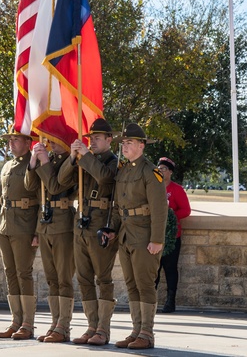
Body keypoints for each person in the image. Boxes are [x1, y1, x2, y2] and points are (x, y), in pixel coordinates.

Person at [102, 123, 167, 350]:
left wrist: (157, 239)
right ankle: (136, 330)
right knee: (131, 284)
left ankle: (147, 333)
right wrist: (113, 229)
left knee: (145, 284)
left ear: (141, 145)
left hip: (144, 235)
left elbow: (160, 209)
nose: (125, 147)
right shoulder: (124, 170)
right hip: (126, 236)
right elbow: (119, 206)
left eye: (130, 143)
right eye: (124, 143)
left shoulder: (151, 172)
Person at [67, 118, 119, 345]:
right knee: (84, 278)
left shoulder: (114, 161)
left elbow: (105, 179)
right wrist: (72, 157)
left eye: (97, 138)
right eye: (91, 138)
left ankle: (103, 329)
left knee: (103, 279)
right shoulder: (85, 160)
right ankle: (91, 326)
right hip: (82, 222)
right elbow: (62, 182)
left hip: (101, 224)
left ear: (109, 139)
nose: (93, 142)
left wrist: (85, 156)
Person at [0, 129, 40, 340]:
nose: (11, 143)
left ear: (28, 142)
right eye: (10, 139)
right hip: (5, 226)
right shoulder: (7, 166)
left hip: (25, 227)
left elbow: (40, 200)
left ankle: (28, 323)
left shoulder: (34, 164)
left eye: (15, 139)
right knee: (10, 272)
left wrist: (37, 230)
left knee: (23, 273)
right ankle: (15, 320)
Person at [25, 141, 74, 342]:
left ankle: (64, 325)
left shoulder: (72, 162)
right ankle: (55, 323)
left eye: (56, 138)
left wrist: (45, 161)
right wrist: (33, 161)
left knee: (64, 278)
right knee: (51, 278)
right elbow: (30, 185)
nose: (51, 142)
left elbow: (55, 186)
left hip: (63, 224)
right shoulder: (50, 160)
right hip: (45, 224)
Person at [154, 156, 190, 314]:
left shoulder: (177, 189)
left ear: (170, 172)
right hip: (154, 234)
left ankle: (170, 301)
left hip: (171, 237)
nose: (160, 171)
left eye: (164, 169)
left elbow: (186, 210)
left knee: (170, 269)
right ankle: (150, 302)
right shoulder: (153, 186)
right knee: (153, 269)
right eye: (159, 168)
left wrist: (170, 215)